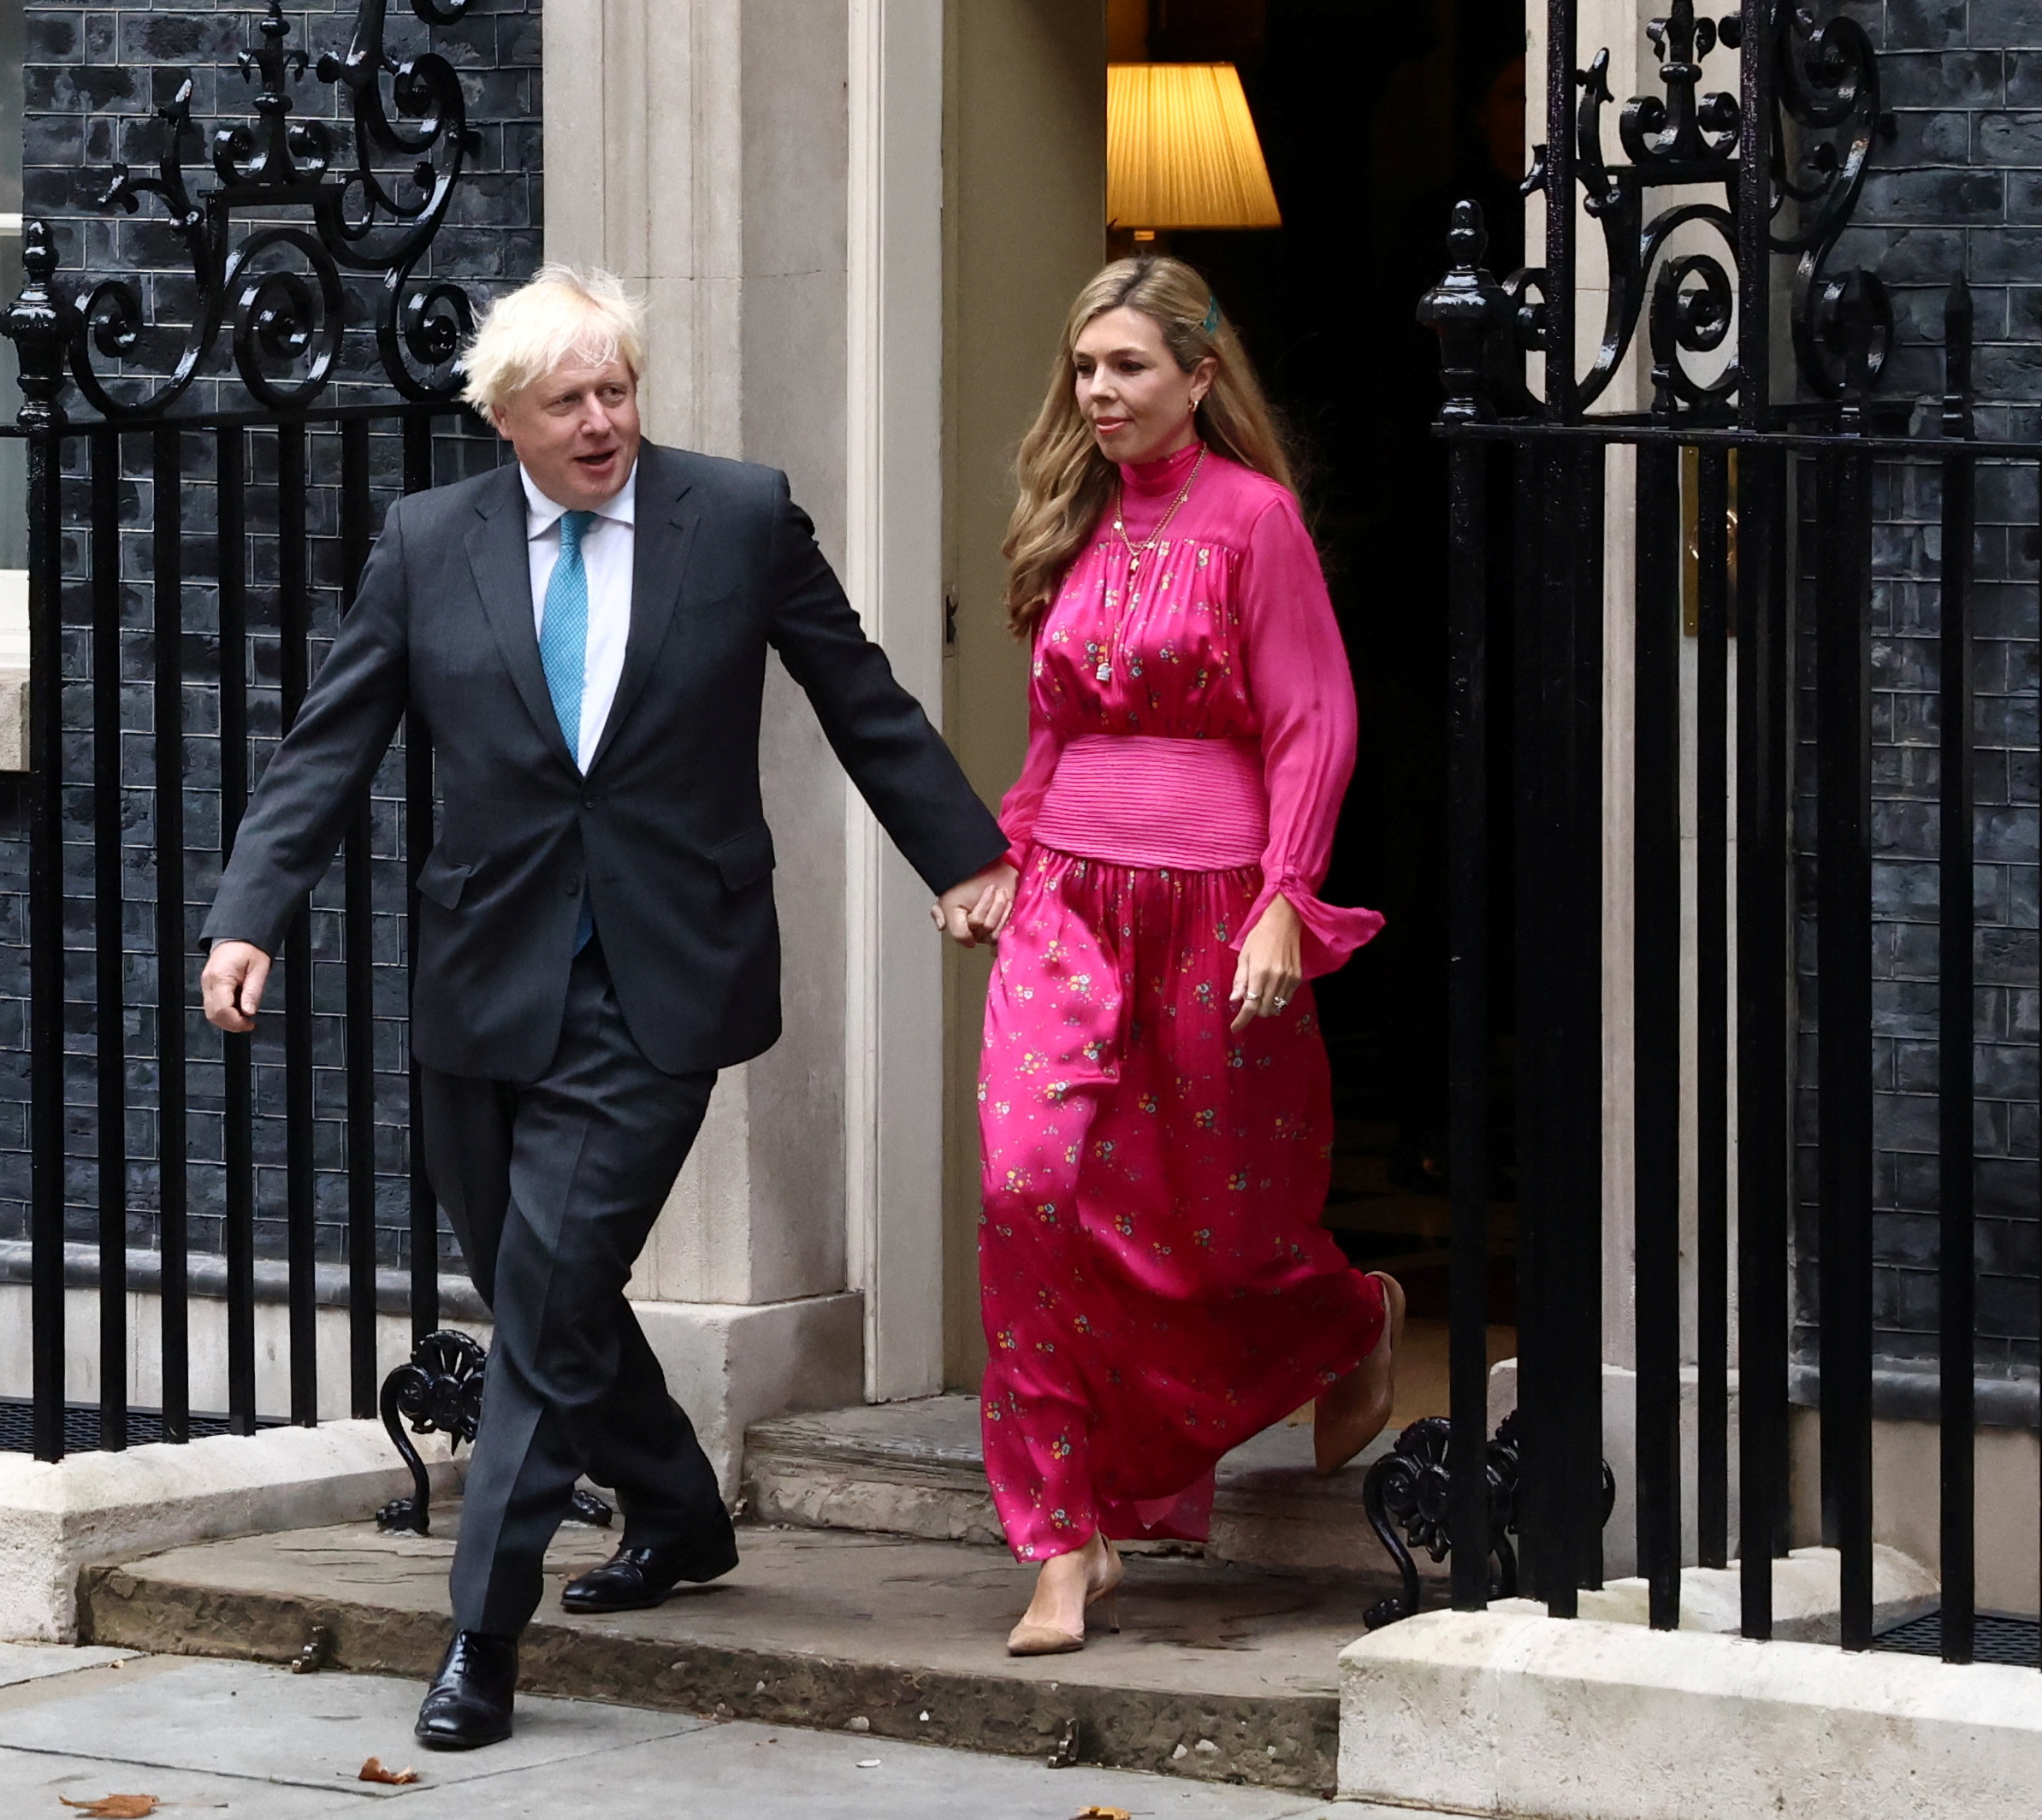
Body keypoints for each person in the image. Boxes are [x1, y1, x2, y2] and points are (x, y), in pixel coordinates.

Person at [198, 267, 1013, 1748]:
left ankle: (481, 1632)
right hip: (484, 975)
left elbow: (860, 694)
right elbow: (333, 741)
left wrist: (963, 861)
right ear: (503, 416)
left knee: (548, 1287)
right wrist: (251, 913)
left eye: (617, 389)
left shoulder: (739, 516)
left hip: (662, 975)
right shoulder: (428, 542)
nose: (602, 421)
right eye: (568, 399)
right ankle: (681, 1510)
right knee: (536, 1283)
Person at [957, 257, 1400, 1658]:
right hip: (1066, 907)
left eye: (1128, 367)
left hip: (1213, 906)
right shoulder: (1073, 518)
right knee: (1029, 1188)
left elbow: (1310, 719)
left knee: (1205, 1233)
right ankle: (1062, 1535)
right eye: (1084, 368)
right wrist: (1008, 860)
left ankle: (1347, 1317)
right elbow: (1050, 732)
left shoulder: (1254, 521)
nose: (1098, 391)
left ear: (1198, 378)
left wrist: (1285, 897)